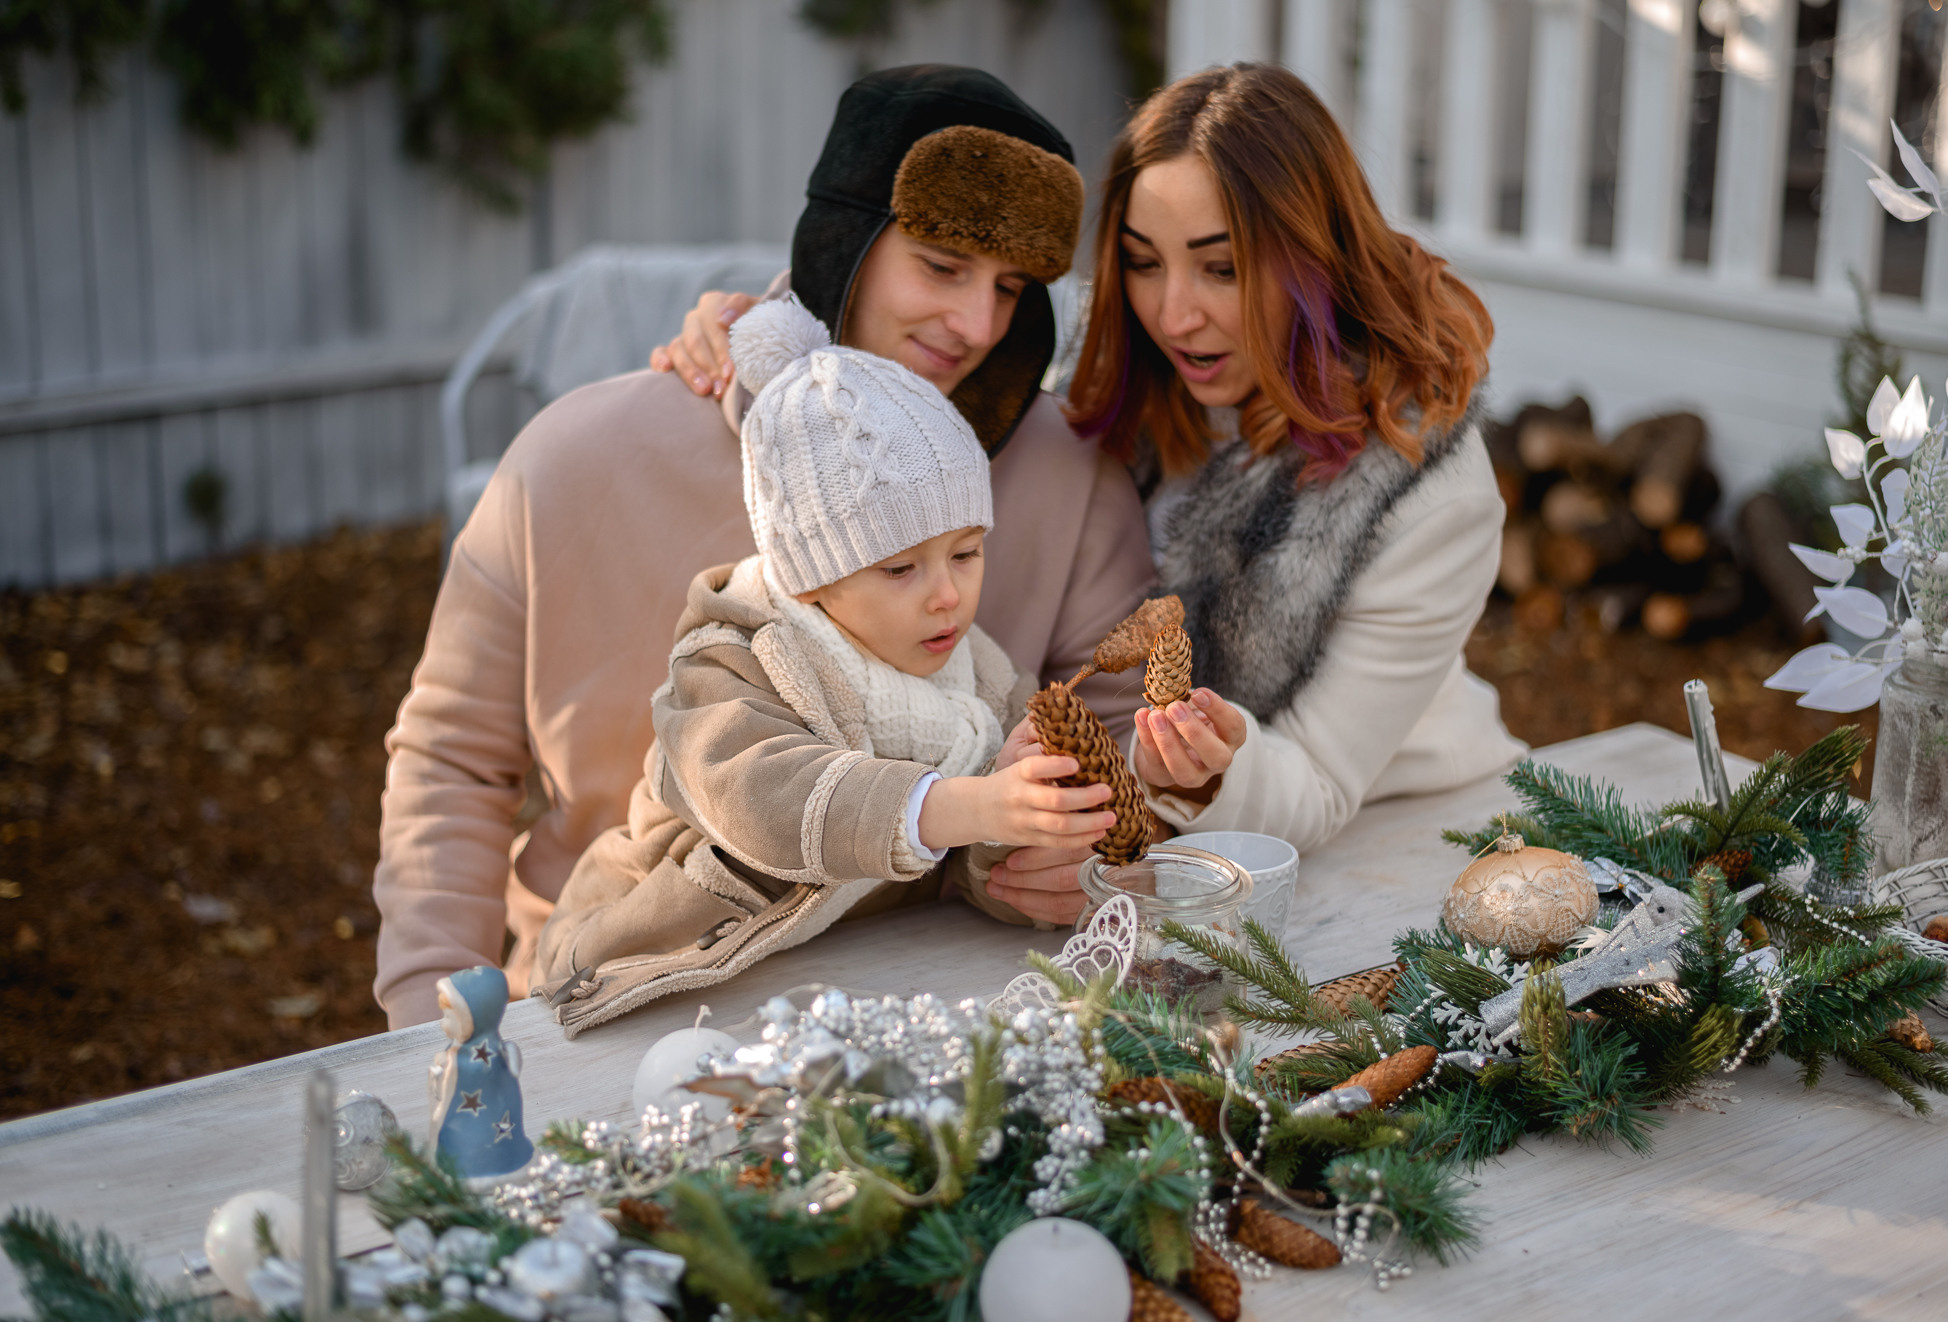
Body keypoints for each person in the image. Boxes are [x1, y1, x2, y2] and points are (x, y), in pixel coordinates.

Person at [372, 65, 1155, 1028]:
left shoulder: (1069, 480)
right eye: (943, 266)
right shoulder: (574, 455)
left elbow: (1122, 749)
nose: (978, 326)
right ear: (846, 236)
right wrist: (428, 1020)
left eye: (1011, 287)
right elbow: (453, 759)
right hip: (606, 994)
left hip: (950, 1021)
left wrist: (1093, 857)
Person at [659, 64, 1524, 927]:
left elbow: (1323, 786)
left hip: (1399, 837)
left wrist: (1167, 814)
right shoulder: (1097, 371)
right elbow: (883, 358)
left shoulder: (1427, 489)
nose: (1175, 313)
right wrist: (761, 324)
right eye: (1145, 264)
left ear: (1315, 255)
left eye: (1221, 269)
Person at [533, 299, 1116, 1033]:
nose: (947, 595)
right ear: (812, 578)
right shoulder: (735, 657)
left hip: (844, 985)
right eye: (901, 568)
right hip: (650, 964)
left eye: (967, 553)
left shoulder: (980, 677)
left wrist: (1020, 844)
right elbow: (762, 796)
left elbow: (972, 875)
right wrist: (969, 803)